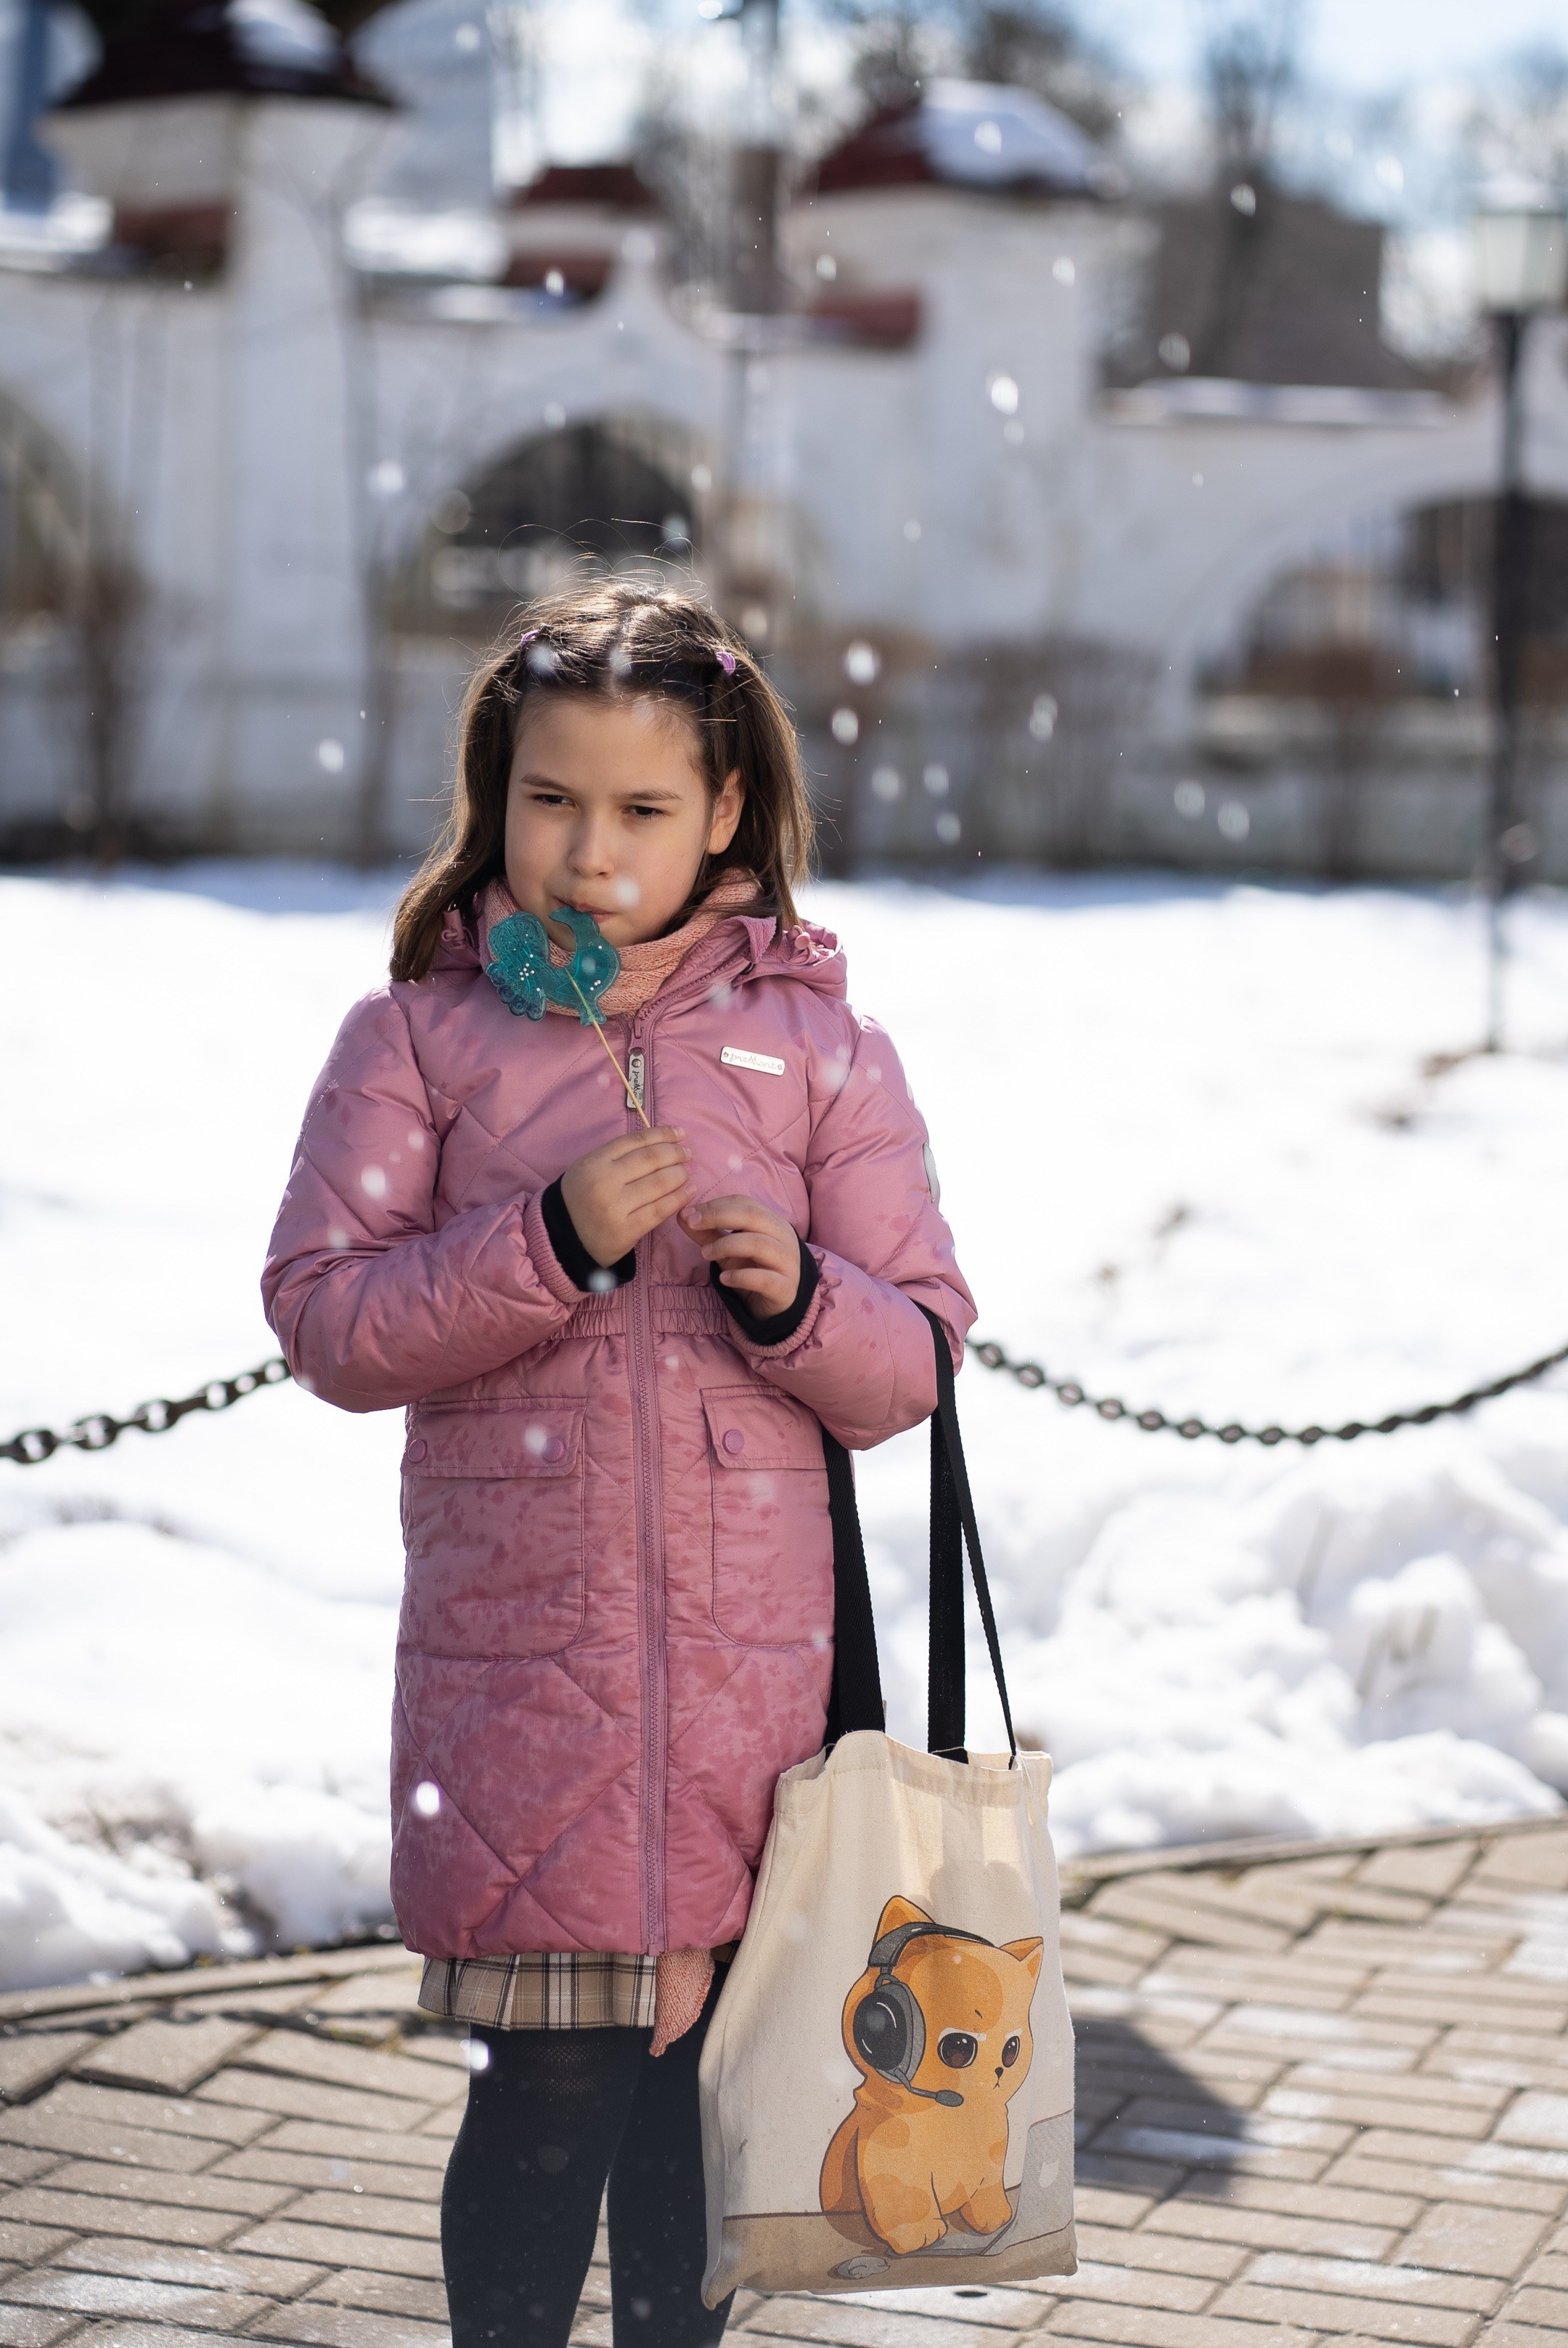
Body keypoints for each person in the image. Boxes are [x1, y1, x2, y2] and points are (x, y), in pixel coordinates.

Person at [262, 577, 974, 2347]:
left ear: (726, 812)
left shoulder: (816, 1049)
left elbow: (921, 1355)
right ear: (495, 796)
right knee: (544, 2107)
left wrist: (808, 1297)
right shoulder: (419, 1040)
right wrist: (549, 1243)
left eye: (645, 809)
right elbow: (331, 1319)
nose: (592, 851)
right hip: (529, 1694)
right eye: (552, 800)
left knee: (703, 2126)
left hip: (759, 1707)